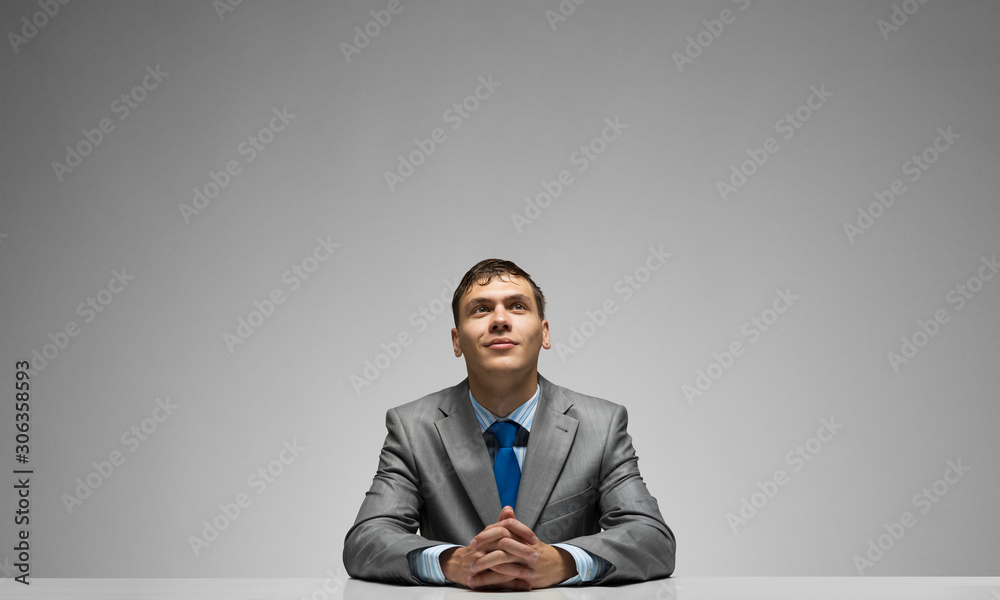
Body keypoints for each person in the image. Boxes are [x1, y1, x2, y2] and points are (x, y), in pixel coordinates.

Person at [343, 259, 675, 590]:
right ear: (457, 341)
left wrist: (561, 562)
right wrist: (453, 563)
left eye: (517, 306)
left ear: (544, 333)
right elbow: (366, 541)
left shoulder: (600, 425)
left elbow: (652, 539)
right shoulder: (413, 427)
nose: (500, 320)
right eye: (480, 309)